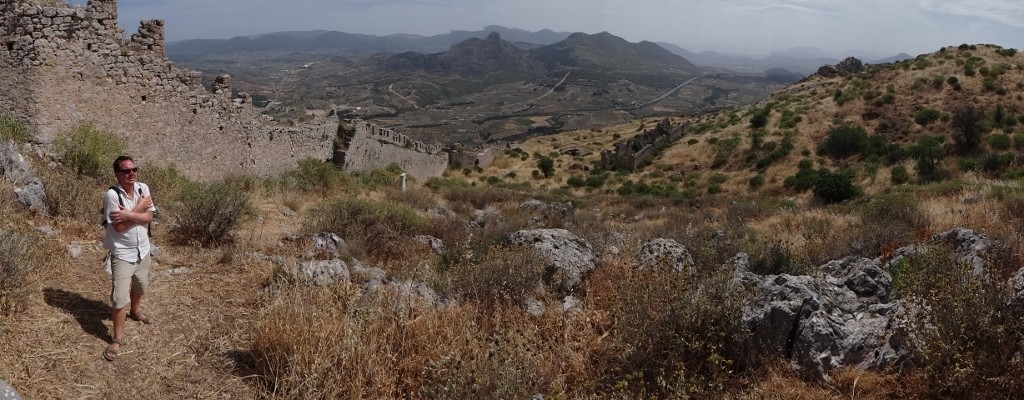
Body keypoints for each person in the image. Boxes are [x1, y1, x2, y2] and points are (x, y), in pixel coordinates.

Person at [101, 155, 157, 362]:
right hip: (123, 253)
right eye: (126, 171)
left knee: (140, 287)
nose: (131, 173)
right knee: (118, 297)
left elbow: (150, 217)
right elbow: (119, 226)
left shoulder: (143, 188)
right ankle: (117, 338)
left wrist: (130, 214)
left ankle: (135, 311)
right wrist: (139, 209)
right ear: (117, 174)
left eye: (134, 169)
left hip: (143, 250)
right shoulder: (112, 195)